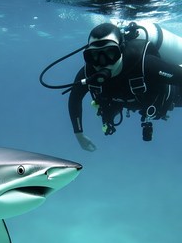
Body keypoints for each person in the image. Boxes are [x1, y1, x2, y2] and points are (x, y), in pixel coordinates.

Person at [68, 22, 182, 151]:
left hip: (171, 95)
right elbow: (74, 98)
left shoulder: (145, 64)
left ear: (121, 50)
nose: (103, 63)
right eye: (94, 56)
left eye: (110, 53)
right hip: (133, 100)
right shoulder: (88, 73)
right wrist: (79, 134)